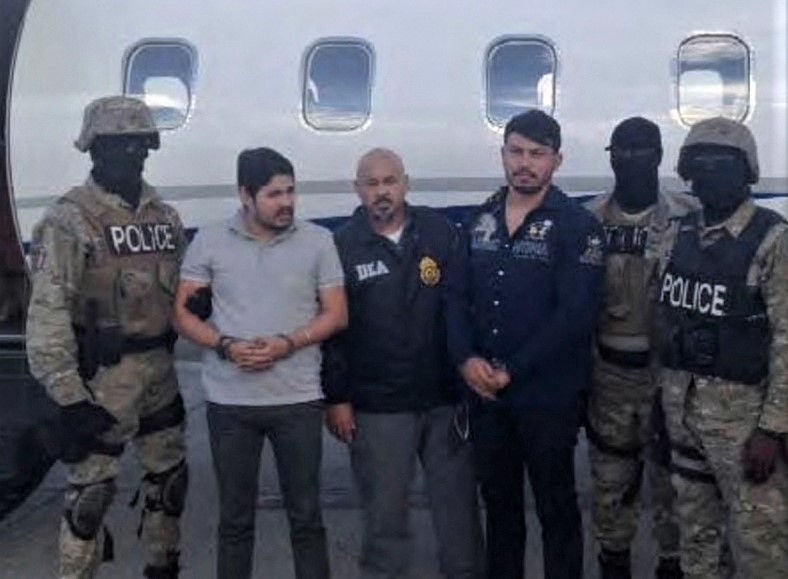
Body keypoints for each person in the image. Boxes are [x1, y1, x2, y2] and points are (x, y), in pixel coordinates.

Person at [26, 96, 188, 579]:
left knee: (171, 485)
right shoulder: (69, 221)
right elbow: (48, 314)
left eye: (140, 143)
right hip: (103, 377)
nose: (131, 153)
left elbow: (181, 291)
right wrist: (68, 397)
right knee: (90, 499)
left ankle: (163, 568)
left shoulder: (166, 218)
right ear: (94, 149)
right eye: (118, 144)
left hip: (160, 369)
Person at [172, 147, 347, 579]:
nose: (286, 202)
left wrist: (289, 343)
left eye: (291, 191)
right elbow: (183, 315)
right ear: (245, 195)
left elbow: (337, 313)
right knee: (235, 521)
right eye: (274, 194)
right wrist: (225, 345)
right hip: (231, 405)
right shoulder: (209, 241)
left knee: (306, 517)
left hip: (298, 400)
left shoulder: (318, 241)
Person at [446, 109, 606, 579]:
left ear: (557, 161)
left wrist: (512, 369)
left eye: (537, 154)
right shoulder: (479, 222)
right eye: (516, 151)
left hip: (547, 399)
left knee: (556, 509)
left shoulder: (578, 227)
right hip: (486, 398)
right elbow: (454, 297)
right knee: (500, 510)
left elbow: (574, 316)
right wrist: (465, 359)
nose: (525, 163)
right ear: (503, 156)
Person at [322, 148, 485, 579]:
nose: (381, 192)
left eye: (389, 182)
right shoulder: (341, 247)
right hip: (379, 407)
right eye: (371, 184)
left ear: (405, 184)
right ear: (357, 190)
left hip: (443, 402)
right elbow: (332, 332)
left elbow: (464, 306)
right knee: (385, 521)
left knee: (460, 519)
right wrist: (337, 397)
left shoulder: (440, 233)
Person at [656, 117, 788, 579]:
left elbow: (787, 342)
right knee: (698, 546)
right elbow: (667, 321)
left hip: (746, 432)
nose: (709, 173)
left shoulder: (773, 239)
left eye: (723, 164)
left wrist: (773, 430)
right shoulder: (678, 234)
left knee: (762, 549)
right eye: (700, 164)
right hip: (683, 419)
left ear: (746, 170)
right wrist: (662, 405)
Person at [584, 117, 696, 579]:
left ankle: (672, 564)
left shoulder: (689, 217)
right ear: (610, 157)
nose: (631, 159)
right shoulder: (588, 221)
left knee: (674, 483)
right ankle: (615, 563)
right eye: (622, 151)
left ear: (659, 155)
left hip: (670, 375)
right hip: (609, 375)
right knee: (611, 484)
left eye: (642, 150)